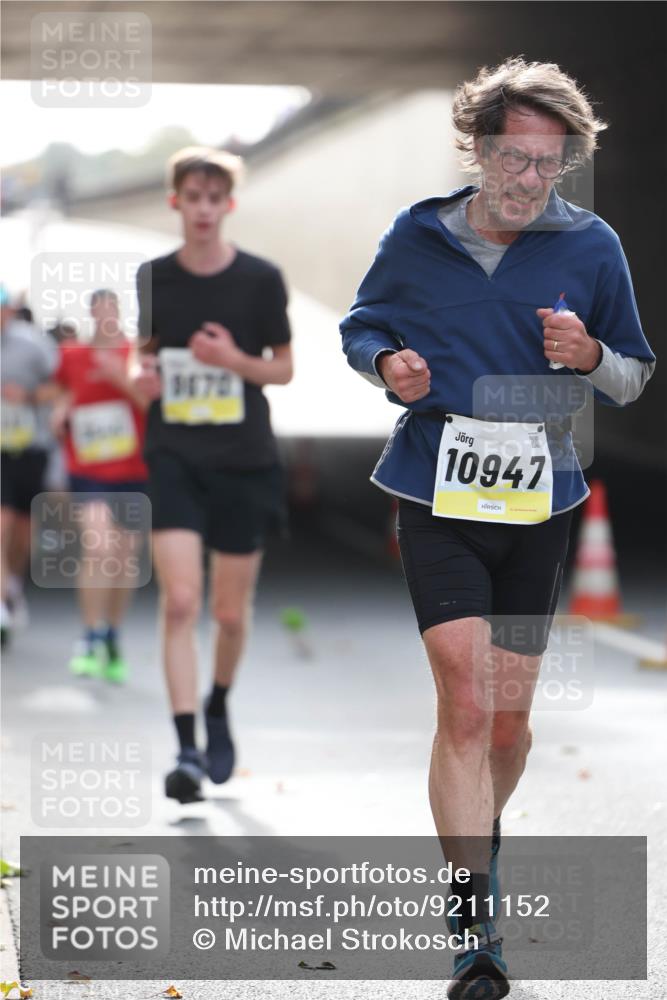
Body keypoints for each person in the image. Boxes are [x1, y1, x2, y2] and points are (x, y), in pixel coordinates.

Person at [340, 57, 655, 999]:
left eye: (548, 164)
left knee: (509, 724)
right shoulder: (418, 235)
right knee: (467, 706)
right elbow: (360, 323)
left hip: (539, 500)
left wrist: (590, 352)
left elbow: (634, 371)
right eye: (514, 159)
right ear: (477, 149)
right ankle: (472, 918)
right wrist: (386, 360)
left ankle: (478, 834)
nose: (529, 180)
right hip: (435, 492)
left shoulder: (591, 247)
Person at [134, 147, 293, 804]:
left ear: (227, 205)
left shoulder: (260, 279)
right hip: (173, 453)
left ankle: (219, 701)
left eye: (212, 198)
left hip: (243, 461)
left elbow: (282, 368)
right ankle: (187, 749)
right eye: (190, 197)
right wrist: (138, 378)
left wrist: (231, 360)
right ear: (176, 202)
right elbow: (142, 357)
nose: (201, 209)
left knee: (228, 612)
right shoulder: (153, 278)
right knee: (179, 602)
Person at [51, 289, 149, 682]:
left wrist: (119, 380)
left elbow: (151, 407)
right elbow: (59, 390)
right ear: (92, 315)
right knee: (98, 546)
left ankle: (112, 633)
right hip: (88, 466)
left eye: (113, 312)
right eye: (99, 312)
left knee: (125, 559)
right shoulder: (72, 354)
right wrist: (61, 406)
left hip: (133, 469)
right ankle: (89, 635)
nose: (106, 319)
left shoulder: (135, 354)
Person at [1, 289, 58, 645]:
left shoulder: (33, 345)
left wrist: (28, 396)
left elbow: (61, 389)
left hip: (30, 446)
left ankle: (12, 584)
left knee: (23, 528)